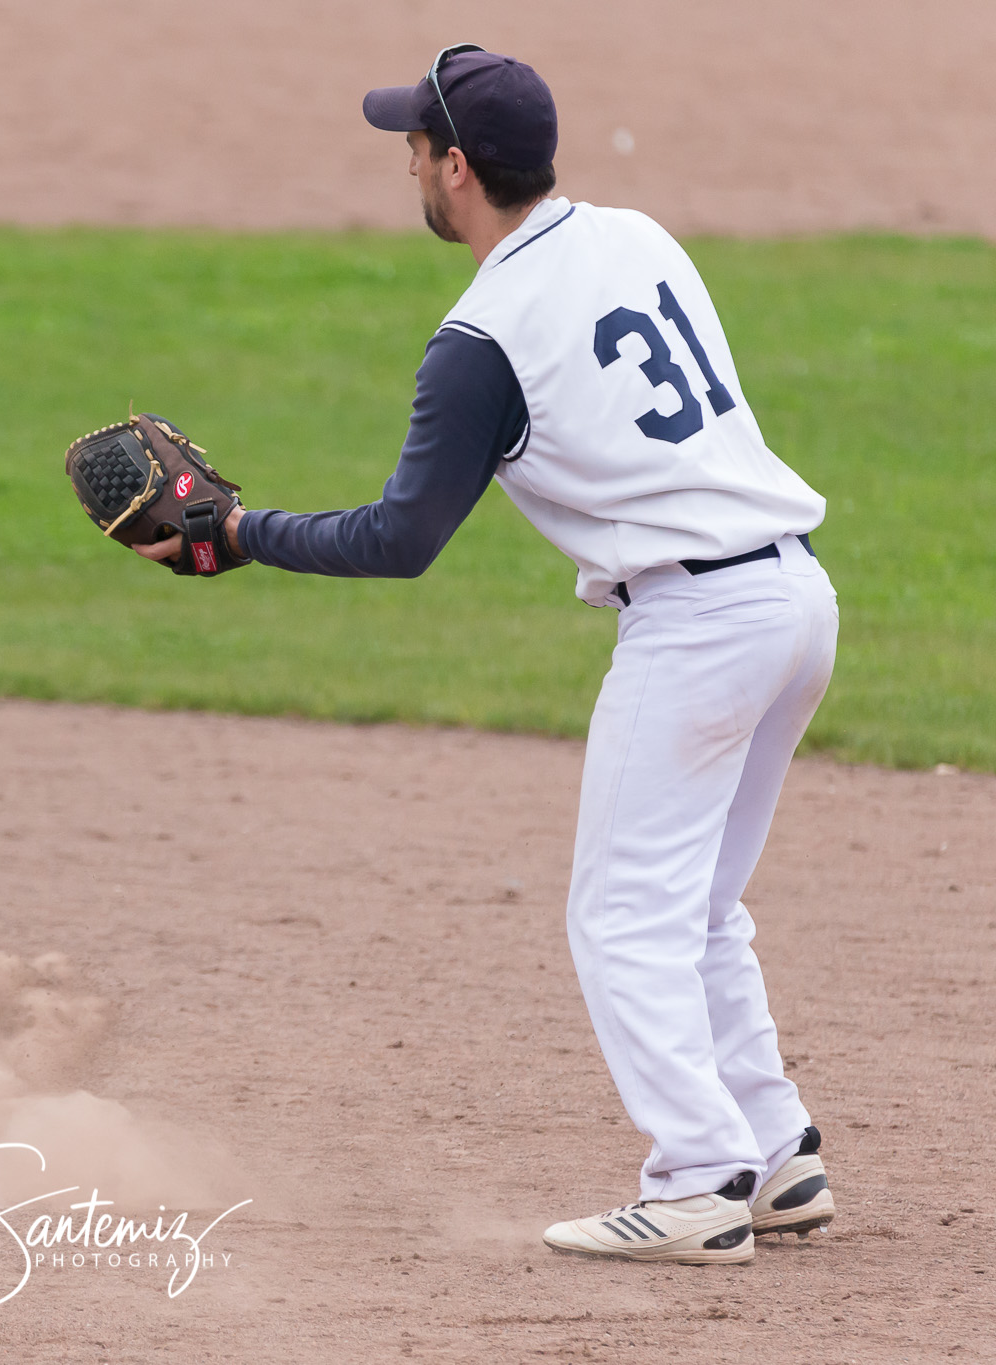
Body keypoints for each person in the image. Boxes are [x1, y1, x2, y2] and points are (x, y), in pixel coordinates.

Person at [139, 47, 836, 1264]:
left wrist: (240, 534)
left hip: (695, 629)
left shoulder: (478, 339)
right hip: (792, 602)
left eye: (413, 144)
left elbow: (401, 538)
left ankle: (697, 1180)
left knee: (623, 914)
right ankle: (773, 1156)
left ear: (454, 168)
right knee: (695, 903)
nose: (405, 159)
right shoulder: (635, 233)